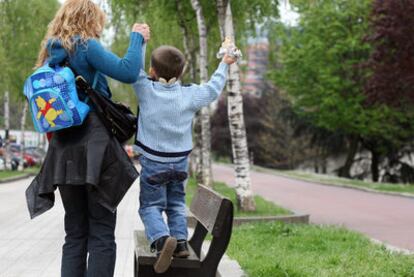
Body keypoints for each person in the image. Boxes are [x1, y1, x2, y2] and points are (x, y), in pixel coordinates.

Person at [25, 1, 150, 276]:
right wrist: (137, 37)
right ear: (89, 19)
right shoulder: (86, 45)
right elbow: (128, 71)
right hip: (95, 147)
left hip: (62, 150)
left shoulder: (51, 53)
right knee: (102, 231)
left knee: (75, 233)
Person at [133, 43, 237, 273]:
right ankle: (179, 242)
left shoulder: (145, 88)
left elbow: (133, 69)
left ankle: (161, 241)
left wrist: (140, 42)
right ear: (181, 73)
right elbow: (213, 88)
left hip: (153, 163)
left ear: (152, 71)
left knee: (150, 206)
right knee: (176, 204)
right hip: (180, 164)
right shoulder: (190, 94)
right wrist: (224, 64)